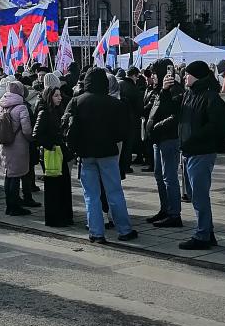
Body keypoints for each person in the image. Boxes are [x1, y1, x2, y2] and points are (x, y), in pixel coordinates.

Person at [62, 67, 137, 244]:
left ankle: (96, 232)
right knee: (114, 192)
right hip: (108, 153)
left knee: (91, 195)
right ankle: (124, 230)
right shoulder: (115, 104)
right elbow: (123, 132)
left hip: (86, 154)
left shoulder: (76, 101)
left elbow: (67, 128)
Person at [177, 60, 225, 250]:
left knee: (199, 195)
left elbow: (216, 126)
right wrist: (165, 91)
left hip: (202, 151)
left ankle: (202, 235)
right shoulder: (189, 94)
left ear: (196, 76)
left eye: (187, 74)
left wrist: (194, 137)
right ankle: (208, 231)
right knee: (192, 193)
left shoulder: (211, 97)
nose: (184, 77)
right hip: (189, 150)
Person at [145, 60, 183, 228]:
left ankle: (174, 214)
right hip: (158, 138)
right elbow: (153, 109)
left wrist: (159, 125)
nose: (152, 76)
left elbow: (176, 113)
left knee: (169, 177)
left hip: (169, 137)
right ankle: (165, 209)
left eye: (154, 73)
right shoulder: (159, 90)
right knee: (159, 176)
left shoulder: (175, 88)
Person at [33, 85, 73, 227]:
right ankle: (54, 218)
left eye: (60, 95)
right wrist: (50, 145)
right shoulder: (44, 112)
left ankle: (64, 216)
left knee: (63, 184)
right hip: (51, 153)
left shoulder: (58, 111)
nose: (59, 98)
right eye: (56, 95)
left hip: (60, 152)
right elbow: (36, 135)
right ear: (49, 96)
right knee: (53, 187)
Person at [0, 79, 35, 216]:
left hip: (4, 143)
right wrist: (32, 139)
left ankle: (9, 205)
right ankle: (14, 206)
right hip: (18, 145)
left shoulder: (2, 105)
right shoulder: (21, 107)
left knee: (8, 175)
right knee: (16, 176)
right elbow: (26, 130)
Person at [118, 67, 144, 177]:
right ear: (133, 75)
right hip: (131, 119)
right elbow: (139, 106)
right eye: (137, 76)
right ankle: (126, 166)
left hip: (120, 118)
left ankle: (120, 164)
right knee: (128, 144)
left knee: (121, 143)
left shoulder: (119, 84)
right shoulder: (133, 88)